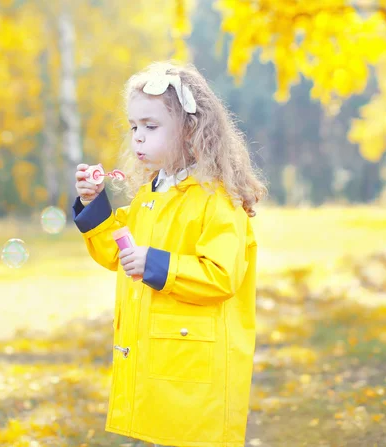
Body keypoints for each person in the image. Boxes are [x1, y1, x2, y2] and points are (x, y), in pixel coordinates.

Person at [72, 61, 267, 447]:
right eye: (133, 127)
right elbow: (117, 252)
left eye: (151, 126)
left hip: (197, 370)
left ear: (190, 129)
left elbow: (221, 275)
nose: (137, 138)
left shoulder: (217, 199)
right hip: (160, 361)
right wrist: (93, 204)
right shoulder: (151, 196)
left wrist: (157, 265)